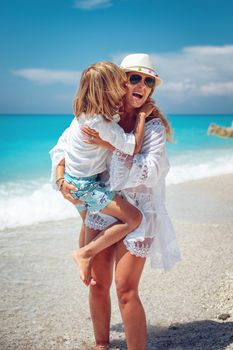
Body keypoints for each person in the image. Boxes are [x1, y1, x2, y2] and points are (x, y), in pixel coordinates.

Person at [50, 54, 181, 350]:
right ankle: (101, 345)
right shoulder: (98, 113)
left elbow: (151, 171)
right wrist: (61, 181)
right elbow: (62, 146)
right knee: (97, 285)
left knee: (125, 289)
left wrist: (110, 145)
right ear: (120, 83)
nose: (143, 85)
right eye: (135, 78)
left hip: (139, 208)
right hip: (104, 203)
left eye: (149, 81)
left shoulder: (153, 127)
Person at [50, 61, 156, 286]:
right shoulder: (102, 123)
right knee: (134, 218)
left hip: (74, 181)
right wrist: (142, 117)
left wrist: (61, 178)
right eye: (121, 82)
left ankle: (84, 264)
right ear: (109, 88)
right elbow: (133, 147)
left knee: (87, 222)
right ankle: (85, 254)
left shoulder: (84, 115)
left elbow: (64, 148)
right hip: (87, 187)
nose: (124, 85)